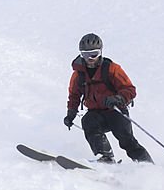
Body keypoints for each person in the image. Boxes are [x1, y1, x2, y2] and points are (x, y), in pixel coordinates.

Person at [63, 33, 153, 163]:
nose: (90, 58)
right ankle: (105, 156)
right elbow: (74, 95)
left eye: (94, 54)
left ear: (100, 52)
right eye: (85, 54)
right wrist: (70, 114)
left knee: (126, 139)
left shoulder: (112, 69)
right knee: (88, 122)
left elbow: (129, 89)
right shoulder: (79, 74)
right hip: (96, 114)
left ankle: (147, 165)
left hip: (115, 110)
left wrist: (118, 98)